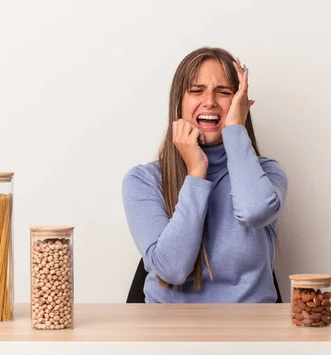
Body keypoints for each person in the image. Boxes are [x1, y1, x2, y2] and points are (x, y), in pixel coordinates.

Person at [122, 47, 288, 303]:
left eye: (223, 92)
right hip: (169, 334)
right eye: (196, 90)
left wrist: (235, 129)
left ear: (240, 104)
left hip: (251, 333)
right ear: (178, 102)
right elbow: (172, 270)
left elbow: (255, 211)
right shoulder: (143, 180)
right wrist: (196, 173)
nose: (209, 101)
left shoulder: (267, 173)